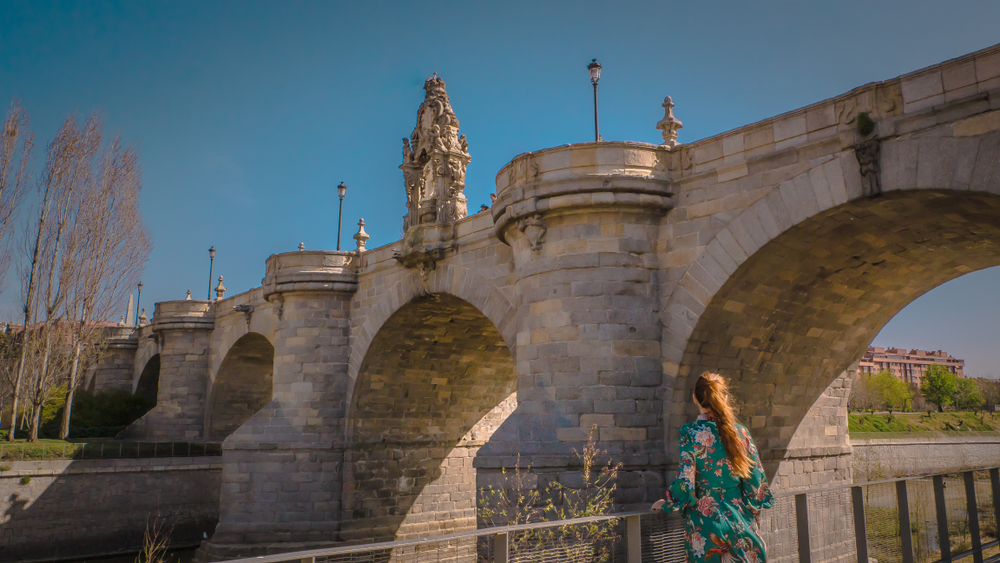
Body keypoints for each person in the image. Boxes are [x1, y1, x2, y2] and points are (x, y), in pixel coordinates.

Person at [651, 372, 774, 563]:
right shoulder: (741, 432)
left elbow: (685, 482)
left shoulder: (690, 433)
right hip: (740, 524)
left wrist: (668, 503)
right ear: (724, 397)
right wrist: (753, 525)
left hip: (705, 527)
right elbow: (756, 485)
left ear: (695, 398)